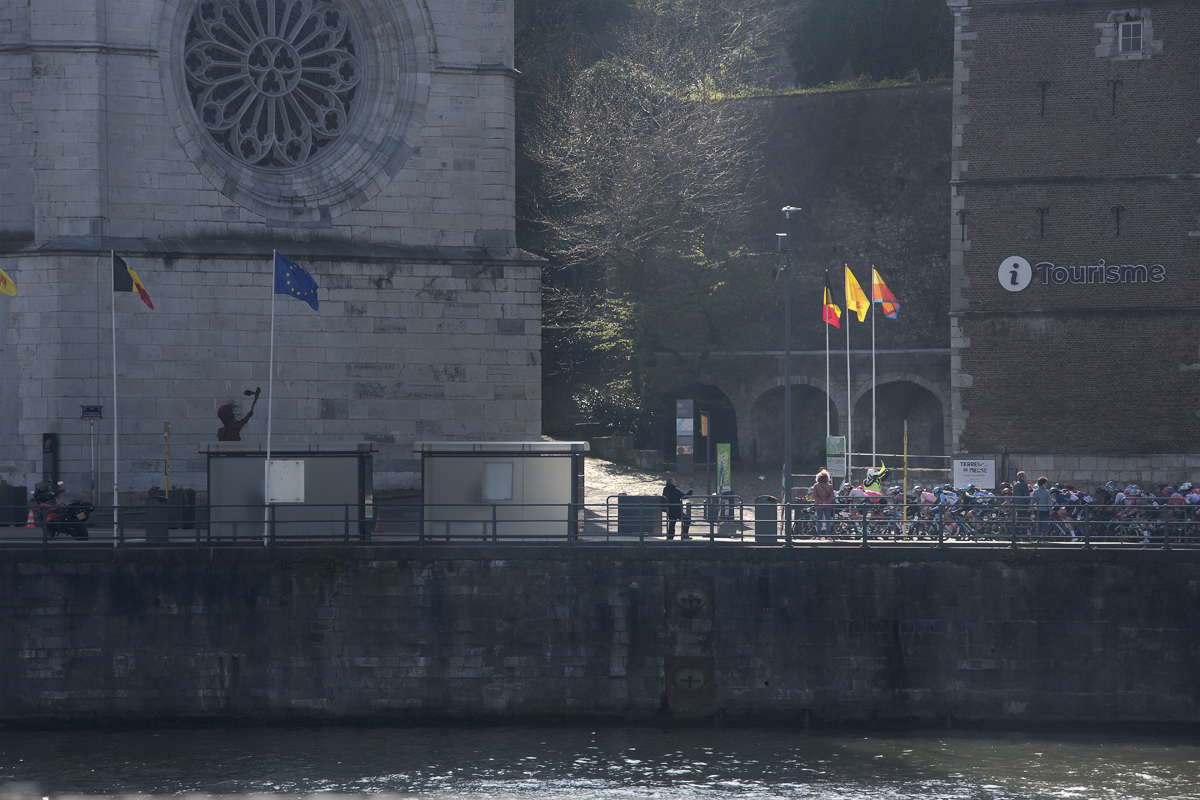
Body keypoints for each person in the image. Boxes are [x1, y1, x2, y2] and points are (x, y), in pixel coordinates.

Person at [811, 470, 836, 536]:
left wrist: (821, 501)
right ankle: (829, 535)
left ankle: (818, 536)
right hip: (828, 505)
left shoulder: (816, 486)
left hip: (819, 505)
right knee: (828, 520)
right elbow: (832, 496)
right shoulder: (830, 486)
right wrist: (826, 501)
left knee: (819, 520)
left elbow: (814, 496)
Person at [1012, 471, 1031, 536]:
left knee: (1018, 521)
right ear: (1022, 477)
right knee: (1024, 522)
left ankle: (1015, 535)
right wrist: (1029, 505)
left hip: (1018, 505)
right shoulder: (1024, 484)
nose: (1025, 477)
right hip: (1024, 505)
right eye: (1024, 476)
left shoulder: (1015, 485)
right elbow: (1026, 496)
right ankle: (1024, 536)